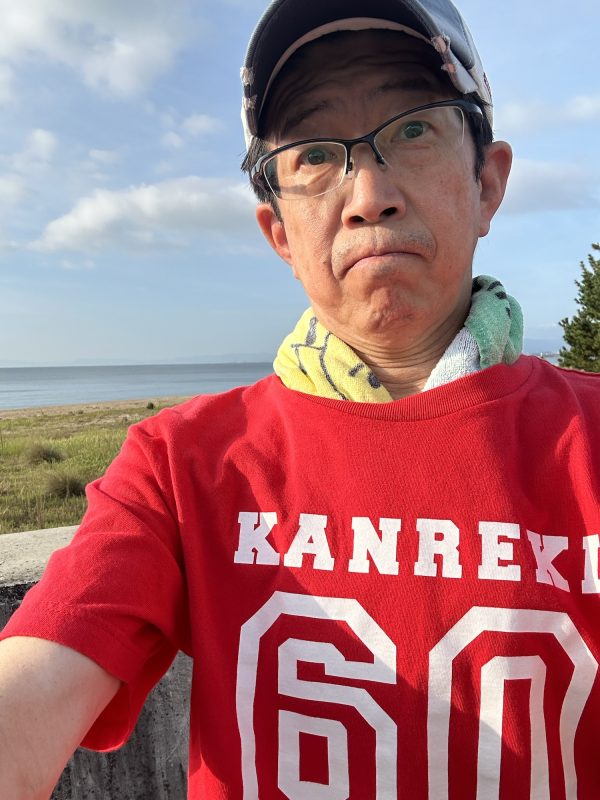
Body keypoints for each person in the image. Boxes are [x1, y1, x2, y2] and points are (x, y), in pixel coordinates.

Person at [1, 0, 600, 797]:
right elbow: (35, 681)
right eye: (316, 153)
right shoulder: (181, 466)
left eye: (413, 129)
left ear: (487, 183)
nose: (369, 194)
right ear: (279, 233)